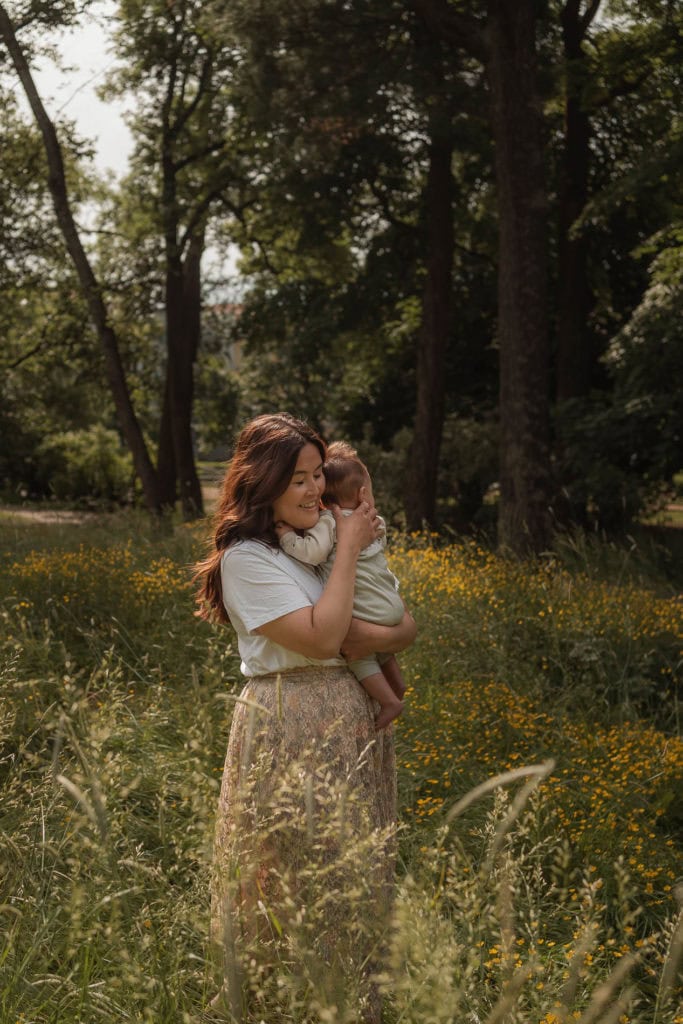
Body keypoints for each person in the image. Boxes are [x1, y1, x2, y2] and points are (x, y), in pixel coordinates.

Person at [193, 412, 416, 1022]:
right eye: (298, 479)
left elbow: (399, 628)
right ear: (262, 483)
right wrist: (347, 550)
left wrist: (378, 625)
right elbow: (323, 640)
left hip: (348, 717)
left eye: (319, 475)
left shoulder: (314, 546)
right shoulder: (247, 559)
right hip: (287, 719)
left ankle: (349, 1007)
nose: (316, 490)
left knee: (352, 882)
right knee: (285, 884)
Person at [276, 440, 406, 730]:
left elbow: (312, 551)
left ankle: (389, 701)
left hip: (363, 609)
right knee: (383, 651)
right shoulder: (376, 522)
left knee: (360, 657)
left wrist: (287, 538)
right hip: (390, 605)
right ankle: (397, 684)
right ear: (362, 494)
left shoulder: (330, 522)